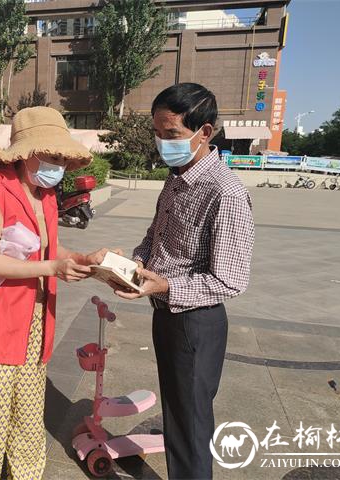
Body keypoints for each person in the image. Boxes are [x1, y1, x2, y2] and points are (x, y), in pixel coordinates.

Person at [0, 107, 113, 479]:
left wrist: (85, 260)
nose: (57, 165)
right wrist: (50, 268)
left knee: (27, 420)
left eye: (62, 158)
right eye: (51, 156)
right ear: (25, 153)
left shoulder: (46, 197)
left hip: (33, 325)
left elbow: (47, 251)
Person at [114, 83, 255, 479]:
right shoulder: (178, 177)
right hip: (167, 315)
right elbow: (155, 235)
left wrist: (164, 287)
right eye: (157, 134)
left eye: (171, 134)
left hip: (196, 322)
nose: (162, 143)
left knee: (191, 422)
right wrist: (134, 264)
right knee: (178, 414)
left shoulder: (224, 193)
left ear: (204, 132)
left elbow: (230, 280)